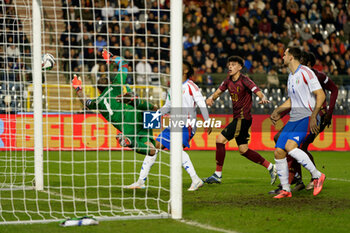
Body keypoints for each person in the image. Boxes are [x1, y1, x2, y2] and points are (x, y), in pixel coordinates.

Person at [124, 61, 210, 191]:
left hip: (187, 124)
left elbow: (202, 104)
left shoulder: (191, 86)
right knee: (154, 147)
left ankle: (196, 179)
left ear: (185, 71)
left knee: (176, 149)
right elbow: (168, 106)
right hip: (173, 123)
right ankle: (141, 181)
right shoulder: (172, 87)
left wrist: (207, 121)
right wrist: (157, 114)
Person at [269, 51, 338, 194]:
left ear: (291, 57)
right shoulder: (290, 76)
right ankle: (286, 189)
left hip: (307, 116)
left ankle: (316, 176)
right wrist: (278, 110)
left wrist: (316, 115)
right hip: (295, 117)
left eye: (284, 54)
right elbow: (293, 100)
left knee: (293, 147)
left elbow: (322, 94)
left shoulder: (308, 72)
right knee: (279, 150)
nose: (282, 57)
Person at [203, 56, 277, 185]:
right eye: (229, 64)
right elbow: (218, 92)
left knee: (220, 140)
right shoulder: (228, 81)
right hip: (239, 119)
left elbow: (257, 90)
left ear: (240, 67)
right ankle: (271, 167)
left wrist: (263, 97)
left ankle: (217, 175)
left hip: (243, 118)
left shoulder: (245, 81)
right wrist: (211, 98)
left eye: (233, 64)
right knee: (243, 150)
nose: (230, 67)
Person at [72, 51, 158, 157]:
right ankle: (151, 107)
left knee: (141, 147)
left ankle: (131, 143)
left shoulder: (97, 102)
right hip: (136, 114)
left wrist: (78, 89)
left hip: (126, 125)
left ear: (98, 91)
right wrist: (112, 59)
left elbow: (85, 101)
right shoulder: (116, 85)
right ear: (110, 83)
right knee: (152, 149)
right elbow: (124, 64)